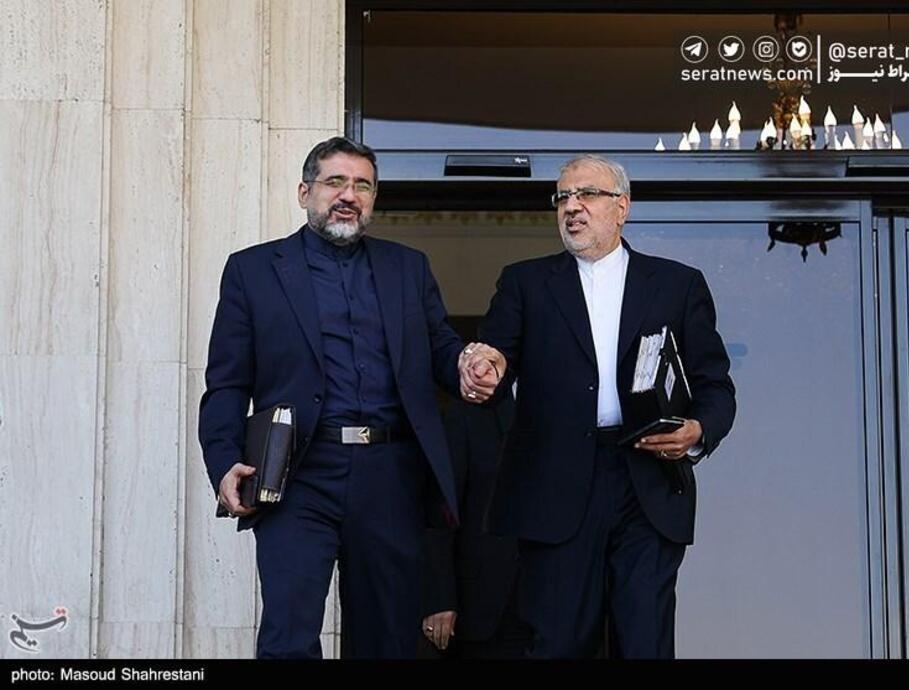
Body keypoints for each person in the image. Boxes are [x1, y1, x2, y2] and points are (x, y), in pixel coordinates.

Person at [198, 136, 502, 658]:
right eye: (335, 181)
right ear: (305, 192)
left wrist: (468, 365)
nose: (349, 195)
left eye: (363, 185)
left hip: (390, 476)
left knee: (387, 640)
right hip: (297, 475)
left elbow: (440, 348)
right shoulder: (253, 270)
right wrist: (224, 461)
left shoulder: (408, 267)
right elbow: (227, 382)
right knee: (288, 637)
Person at [478, 154, 736, 658]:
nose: (572, 206)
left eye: (587, 194)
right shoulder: (524, 282)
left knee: (643, 641)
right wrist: (484, 367)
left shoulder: (676, 284)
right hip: (555, 484)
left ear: (622, 207)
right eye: (563, 197)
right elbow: (497, 357)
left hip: (648, 480)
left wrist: (697, 430)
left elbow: (715, 385)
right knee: (558, 643)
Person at [420, 393, 530, 658]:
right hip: (485, 605)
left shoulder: (568, 407)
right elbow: (441, 512)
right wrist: (439, 597)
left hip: (557, 608)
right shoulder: (466, 413)